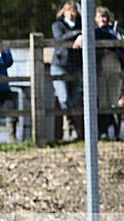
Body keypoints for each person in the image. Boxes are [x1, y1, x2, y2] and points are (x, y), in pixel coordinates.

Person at [93, 6, 124, 140]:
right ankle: (103, 131)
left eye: (105, 16)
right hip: (101, 69)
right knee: (103, 102)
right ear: (95, 19)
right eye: (100, 16)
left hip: (115, 67)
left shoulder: (115, 31)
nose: (103, 19)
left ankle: (116, 132)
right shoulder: (94, 32)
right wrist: (102, 52)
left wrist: (114, 48)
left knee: (113, 100)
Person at [51, 1, 83, 141]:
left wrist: (82, 35)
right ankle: (71, 127)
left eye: (74, 10)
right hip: (60, 65)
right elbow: (60, 38)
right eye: (68, 10)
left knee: (74, 98)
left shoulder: (82, 24)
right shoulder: (57, 25)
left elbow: (93, 31)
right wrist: (79, 34)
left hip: (76, 65)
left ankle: (70, 131)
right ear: (63, 12)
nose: (71, 13)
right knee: (63, 97)